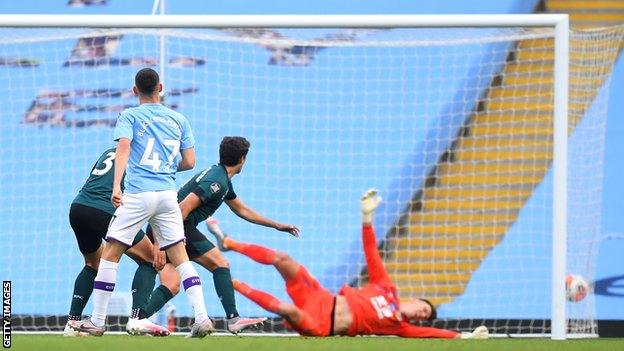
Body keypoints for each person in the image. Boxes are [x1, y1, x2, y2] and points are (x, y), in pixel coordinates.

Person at [223, 189, 489, 339]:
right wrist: (366, 218)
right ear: (415, 300)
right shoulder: (386, 288)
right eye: (423, 308)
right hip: (320, 297)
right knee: (283, 259)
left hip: (322, 324)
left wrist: (463, 337)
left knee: (288, 311)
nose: (420, 314)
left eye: (423, 316)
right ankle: (231, 244)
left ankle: (233, 284)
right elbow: (371, 252)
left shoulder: (397, 326)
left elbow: (430, 334)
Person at [70, 68, 212, 338]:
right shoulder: (179, 119)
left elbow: (123, 148)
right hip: (168, 195)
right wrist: (166, 170)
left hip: (138, 194)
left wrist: (116, 186)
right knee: (180, 258)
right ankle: (202, 317)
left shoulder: (130, 115)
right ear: (161, 87)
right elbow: (190, 161)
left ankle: (97, 321)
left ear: (135, 90)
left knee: (110, 254)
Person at [140, 136, 300, 334]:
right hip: (173, 227)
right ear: (242, 159)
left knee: (171, 285)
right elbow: (182, 209)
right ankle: (233, 318)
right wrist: (159, 243)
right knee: (220, 263)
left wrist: (276, 225)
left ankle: (139, 320)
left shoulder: (222, 177)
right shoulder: (216, 181)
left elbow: (242, 210)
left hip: (166, 227)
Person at [65, 147, 176, 337]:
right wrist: (158, 243)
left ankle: (72, 323)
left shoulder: (109, 151)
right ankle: (137, 319)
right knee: (149, 259)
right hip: (105, 209)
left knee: (93, 264)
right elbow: (152, 200)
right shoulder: (144, 156)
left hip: (79, 207)